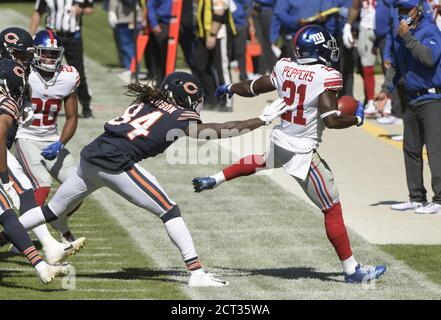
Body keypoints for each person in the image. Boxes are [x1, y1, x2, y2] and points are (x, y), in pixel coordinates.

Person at [4, 71, 287, 287]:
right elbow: (217, 130)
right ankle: (196, 272)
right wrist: (260, 120)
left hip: (92, 154)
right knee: (169, 210)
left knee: (52, 210)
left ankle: (4, 235)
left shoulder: (147, 100)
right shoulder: (179, 114)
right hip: (116, 163)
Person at [195, 25, 387, 283]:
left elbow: (255, 86)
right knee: (332, 208)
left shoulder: (285, 66)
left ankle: (214, 178)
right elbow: (331, 119)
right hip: (302, 150)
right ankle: (352, 270)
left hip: (283, 138)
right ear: (317, 49)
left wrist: (230, 86)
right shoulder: (326, 75)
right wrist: (356, 119)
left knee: (263, 160)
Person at [0, 27, 85, 262]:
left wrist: (60, 142)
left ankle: (57, 225)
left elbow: (71, 117)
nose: (48, 58)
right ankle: (20, 236)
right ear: (35, 52)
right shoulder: (22, 73)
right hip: (25, 136)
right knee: (42, 185)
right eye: (44, 53)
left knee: (78, 187)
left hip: (51, 139)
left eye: (52, 53)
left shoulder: (68, 76)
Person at [0, 59, 70, 283]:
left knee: (7, 214)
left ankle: (42, 266)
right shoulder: (7, 103)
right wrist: (4, 178)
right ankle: (43, 263)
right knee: (8, 213)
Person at [375, 0, 441, 214]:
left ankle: (439, 199)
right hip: (411, 99)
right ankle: (416, 196)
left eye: (407, 9)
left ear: (419, 10)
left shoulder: (429, 31)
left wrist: (408, 37)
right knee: (411, 149)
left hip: (432, 99)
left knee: (434, 150)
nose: (403, 13)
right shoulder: (399, 35)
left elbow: (429, 58)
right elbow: (395, 66)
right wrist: (385, 90)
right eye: (400, 9)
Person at [30, 0, 95, 118]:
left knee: (79, 71)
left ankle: (86, 105)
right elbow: (38, 12)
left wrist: (82, 10)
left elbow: (90, 8)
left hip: (73, 36)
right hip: (51, 38)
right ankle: (41, 102)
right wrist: (31, 35)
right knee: (43, 68)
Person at [194, 0, 237, 110]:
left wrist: (212, 34)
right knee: (201, 65)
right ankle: (212, 99)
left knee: (222, 68)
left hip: (219, 34)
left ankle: (227, 101)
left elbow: (219, 13)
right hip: (203, 34)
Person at [343, 0, 378, 117]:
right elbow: (355, 6)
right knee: (367, 66)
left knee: (391, 66)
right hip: (366, 28)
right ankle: (371, 102)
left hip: (385, 27)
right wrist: (348, 25)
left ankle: (390, 105)